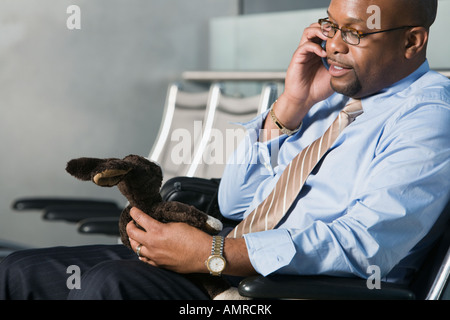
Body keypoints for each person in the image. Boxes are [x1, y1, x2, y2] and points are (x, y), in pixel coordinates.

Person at [1, 0, 449, 299]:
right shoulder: (329, 96)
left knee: (110, 285)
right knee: (17, 272)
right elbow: (235, 201)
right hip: (228, 260)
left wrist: (212, 255)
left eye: (354, 33)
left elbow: (366, 246)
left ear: (412, 41)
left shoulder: (428, 116)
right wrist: (290, 106)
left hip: (293, 289)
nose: (332, 44)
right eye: (331, 25)